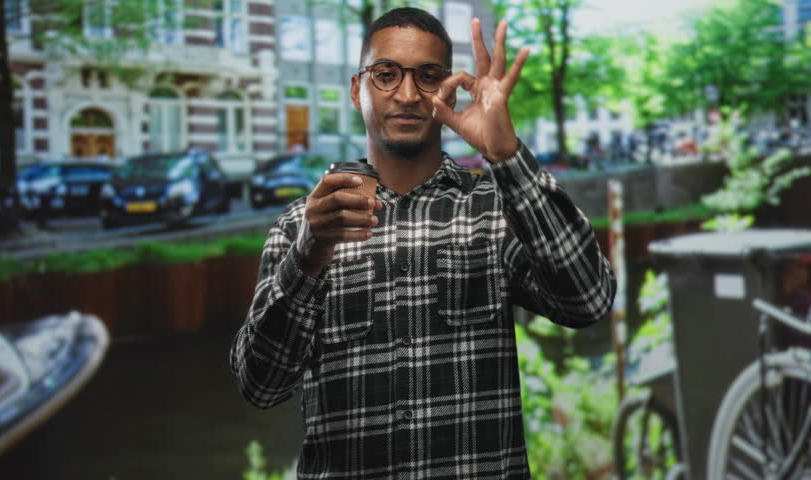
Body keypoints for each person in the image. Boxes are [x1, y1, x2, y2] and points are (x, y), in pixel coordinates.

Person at [230, 8, 616, 479]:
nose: (408, 95)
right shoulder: (302, 227)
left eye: (428, 76)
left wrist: (506, 154)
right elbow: (261, 386)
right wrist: (309, 258)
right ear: (357, 90)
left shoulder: (493, 211)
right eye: (386, 74)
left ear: (446, 90)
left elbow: (589, 300)